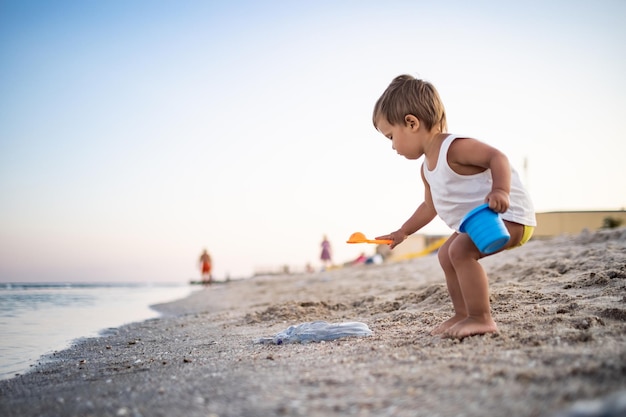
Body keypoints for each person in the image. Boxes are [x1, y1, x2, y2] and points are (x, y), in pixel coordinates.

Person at [372, 74, 536, 339]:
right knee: (446, 253)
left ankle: (481, 317)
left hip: (510, 215)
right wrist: (404, 231)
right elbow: (430, 206)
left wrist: (500, 191)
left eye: (391, 136)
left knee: (460, 250)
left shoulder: (454, 148)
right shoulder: (427, 169)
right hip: (480, 222)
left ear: (411, 123)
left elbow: (497, 157)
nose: (392, 146)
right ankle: (463, 313)